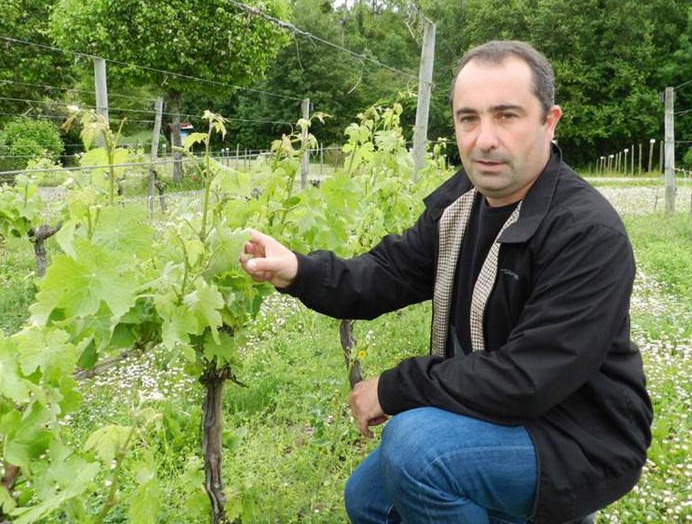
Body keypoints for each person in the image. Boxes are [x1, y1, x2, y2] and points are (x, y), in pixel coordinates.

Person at [240, 40, 653, 524]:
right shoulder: (463, 201)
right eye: (468, 118)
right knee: (368, 501)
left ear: (549, 121)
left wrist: (394, 388)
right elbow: (390, 272)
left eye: (506, 116)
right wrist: (299, 271)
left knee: (417, 450)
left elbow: (527, 379)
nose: (484, 139)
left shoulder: (585, 232)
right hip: (500, 412)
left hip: (579, 436)